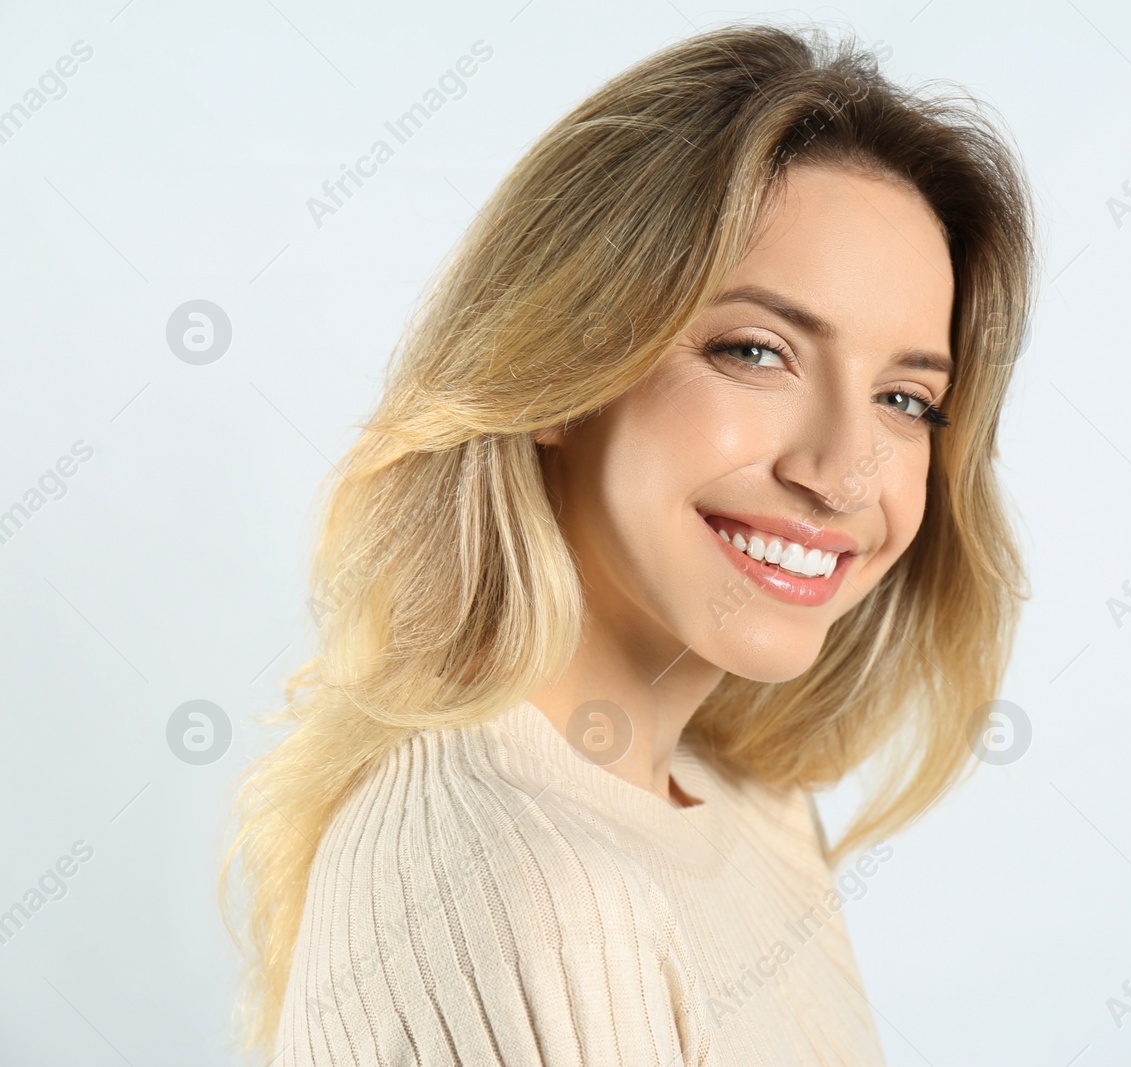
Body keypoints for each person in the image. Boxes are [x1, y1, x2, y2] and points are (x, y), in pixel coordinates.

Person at [221, 19, 1035, 1066]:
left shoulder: (745, 802)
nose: (842, 472)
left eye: (905, 397)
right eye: (756, 350)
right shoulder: (533, 887)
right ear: (561, 372)